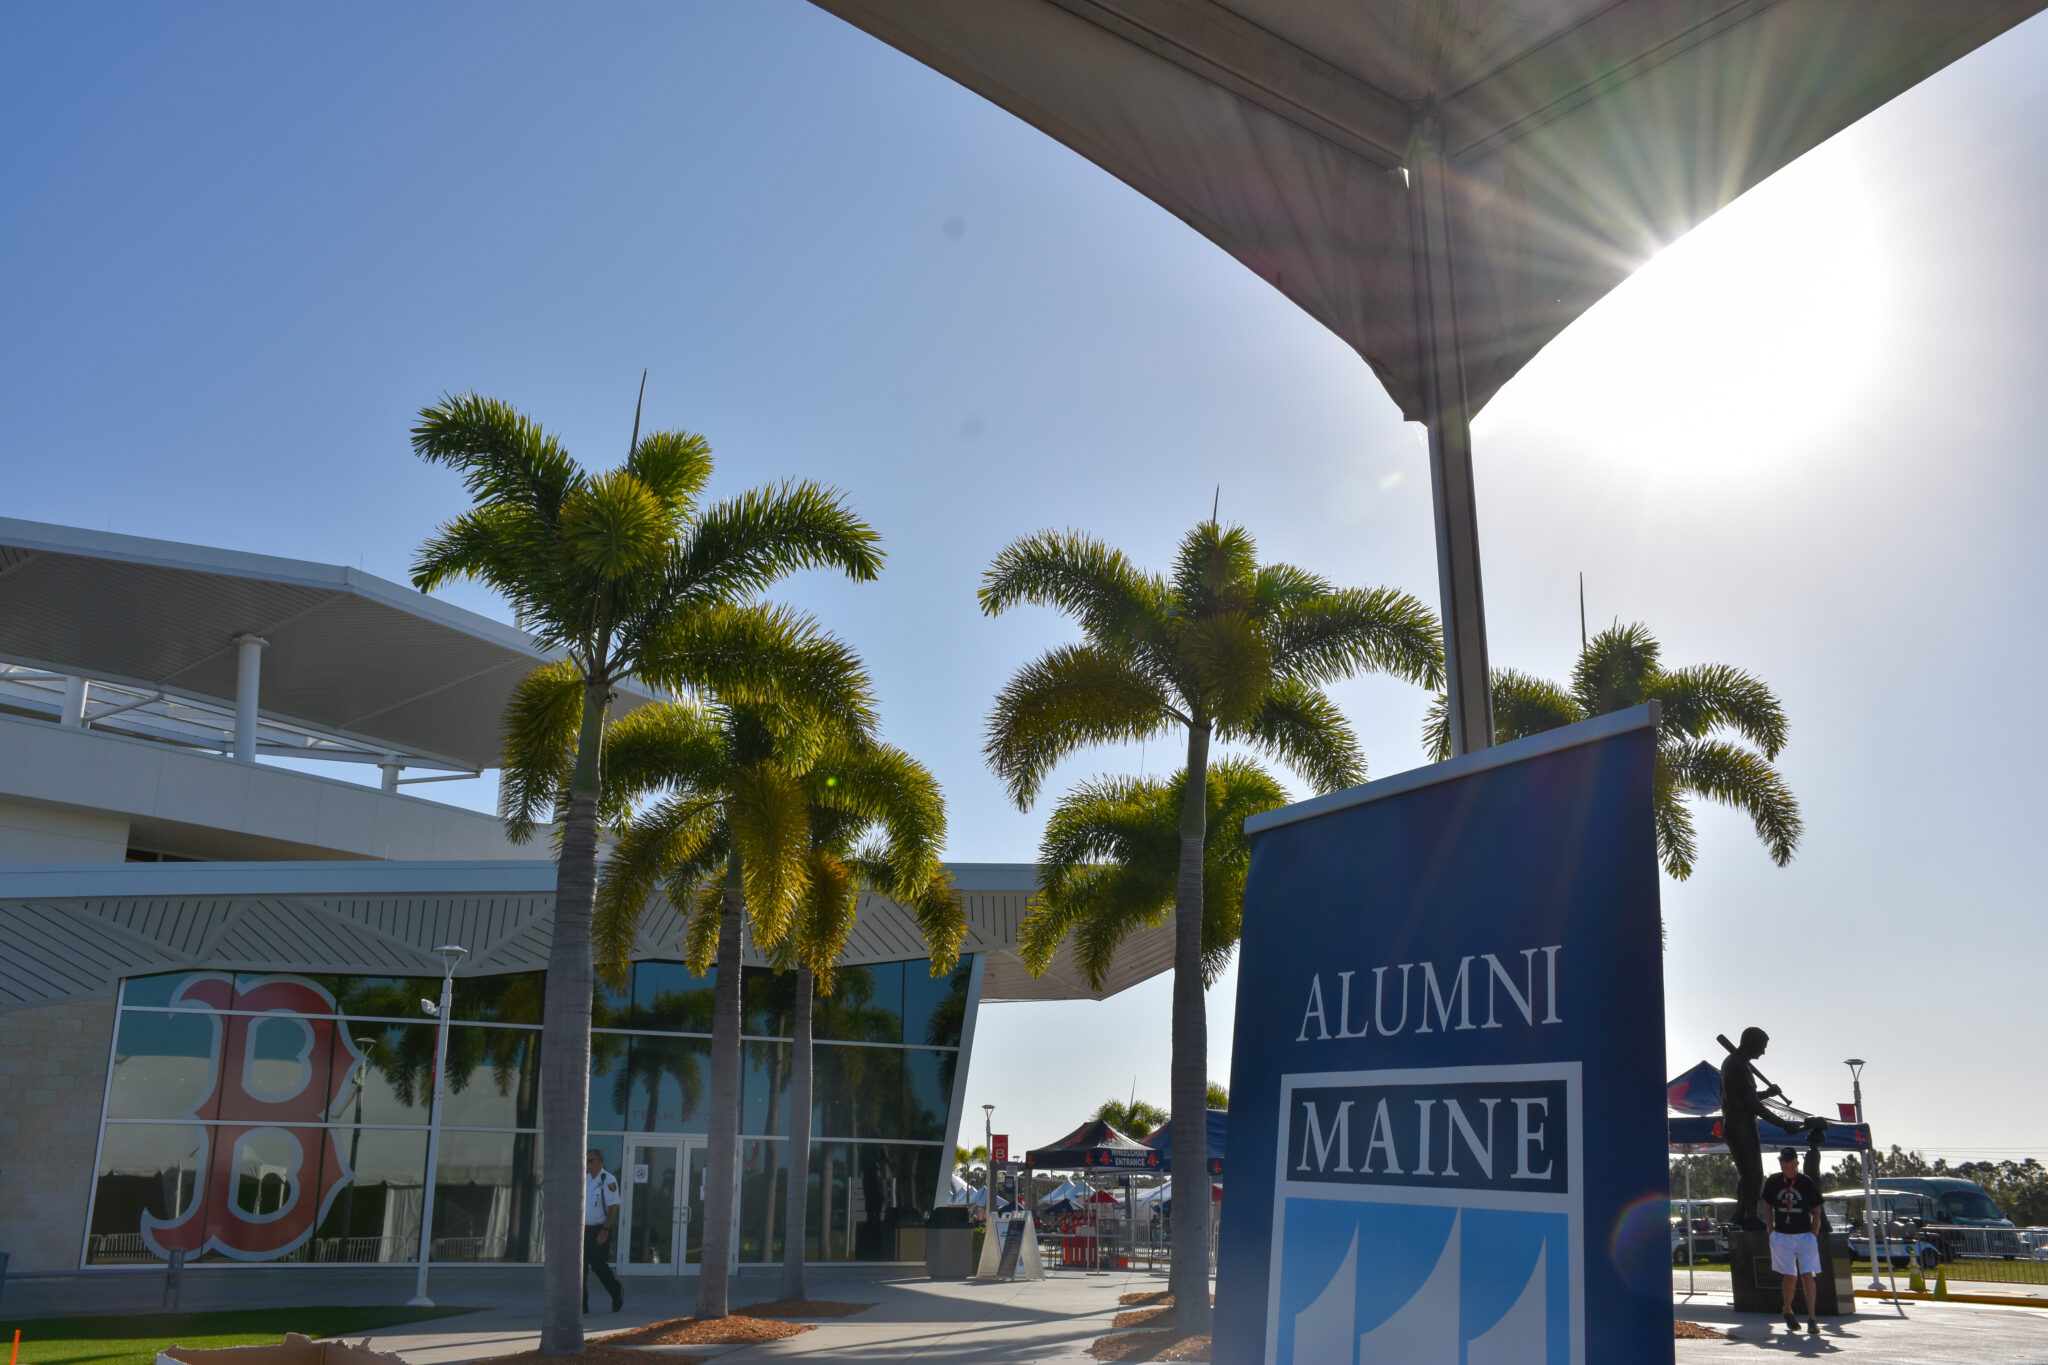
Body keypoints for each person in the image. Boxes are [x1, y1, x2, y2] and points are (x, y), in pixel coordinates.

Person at [1720, 1027, 1780, 1232]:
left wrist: (1767, 1093)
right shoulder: (1738, 1065)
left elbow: (1746, 1098)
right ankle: (1751, 1217)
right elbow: (1753, 1106)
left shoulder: (1735, 1063)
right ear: (1750, 1042)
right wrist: (1784, 1125)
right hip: (1740, 1123)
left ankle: (1741, 1213)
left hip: (1739, 1122)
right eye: (1762, 1046)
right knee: (1753, 1173)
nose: (1763, 1052)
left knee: (1746, 1173)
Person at [1763, 1147, 1824, 1337]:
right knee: (1790, 1276)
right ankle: (1787, 1309)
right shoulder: (1773, 1181)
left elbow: (1817, 1209)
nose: (1784, 1164)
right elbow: (1768, 1206)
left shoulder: (1805, 1182)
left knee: (1808, 1275)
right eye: (1782, 1161)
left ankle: (1812, 1318)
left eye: (1788, 1161)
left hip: (1805, 1236)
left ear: (1796, 1163)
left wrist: (1813, 1234)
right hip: (1782, 1236)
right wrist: (1771, 1231)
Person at [584, 1148, 623, 1314]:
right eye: (586, 1160)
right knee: (581, 1268)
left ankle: (616, 1291)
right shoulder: (584, 1179)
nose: (587, 1164)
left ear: (599, 1162)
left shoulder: (607, 1179)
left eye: (590, 1161)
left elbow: (613, 1206)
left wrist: (606, 1229)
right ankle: (582, 1305)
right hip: (584, 1230)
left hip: (600, 1228)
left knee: (599, 1266)